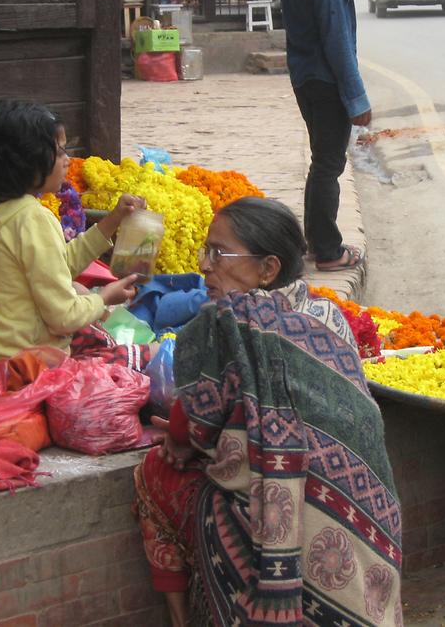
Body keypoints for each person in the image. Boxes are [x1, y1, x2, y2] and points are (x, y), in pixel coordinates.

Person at [133, 197, 402, 626]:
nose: (205, 265)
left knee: (155, 471)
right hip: (367, 534)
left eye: (218, 253)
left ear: (268, 269)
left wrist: (185, 441)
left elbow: (184, 435)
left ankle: (184, 619)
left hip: (285, 538)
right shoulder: (328, 316)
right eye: (206, 251)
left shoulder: (224, 326)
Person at [0, 99, 154, 368]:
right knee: (140, 356)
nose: (68, 160)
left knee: (79, 296)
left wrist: (112, 220)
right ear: (27, 160)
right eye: (60, 151)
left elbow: (59, 264)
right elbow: (64, 317)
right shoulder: (32, 218)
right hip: (28, 370)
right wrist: (105, 298)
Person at [276, 0, 370, 273]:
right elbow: (337, 42)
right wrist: (357, 99)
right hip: (327, 80)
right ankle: (329, 251)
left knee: (322, 161)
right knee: (329, 164)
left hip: (304, 76)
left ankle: (317, 243)